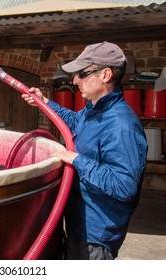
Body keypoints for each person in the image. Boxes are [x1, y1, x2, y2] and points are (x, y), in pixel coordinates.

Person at [22, 41, 147, 260]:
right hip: (80, 222)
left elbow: (124, 186)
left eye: (82, 73)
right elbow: (75, 121)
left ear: (106, 75)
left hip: (95, 235)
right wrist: (45, 103)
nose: (75, 80)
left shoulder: (120, 125)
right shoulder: (95, 110)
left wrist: (77, 160)